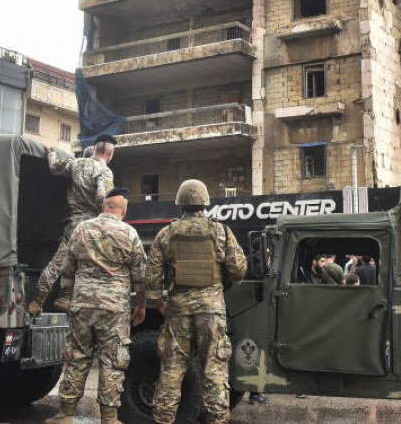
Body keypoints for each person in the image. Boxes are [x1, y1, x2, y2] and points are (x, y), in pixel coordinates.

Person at [146, 179, 247, 424]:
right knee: (214, 371)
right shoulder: (221, 232)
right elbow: (239, 269)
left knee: (171, 371)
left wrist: (160, 304)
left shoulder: (167, 233)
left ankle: (163, 420)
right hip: (212, 311)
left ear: (180, 205)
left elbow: (151, 276)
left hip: (178, 310)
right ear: (205, 203)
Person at [44, 188, 146, 424]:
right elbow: (141, 277)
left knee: (77, 356)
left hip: (83, 305)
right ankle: (109, 418)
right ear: (124, 210)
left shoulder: (82, 229)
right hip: (114, 309)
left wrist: (72, 299)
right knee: (112, 361)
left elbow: (67, 271)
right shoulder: (129, 234)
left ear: (103, 206)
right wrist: (140, 306)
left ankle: (65, 414)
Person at [30, 134, 116, 315]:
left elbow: (54, 167)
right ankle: (65, 298)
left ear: (94, 149)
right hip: (92, 224)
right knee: (85, 266)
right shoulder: (104, 171)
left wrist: (50, 150)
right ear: (110, 152)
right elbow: (103, 197)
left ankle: (40, 300)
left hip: (73, 222)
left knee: (60, 261)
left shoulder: (77, 164)